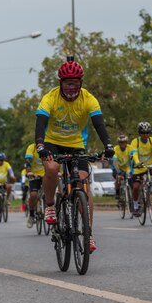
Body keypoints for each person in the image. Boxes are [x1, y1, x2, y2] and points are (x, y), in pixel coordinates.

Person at [34, 57, 114, 253]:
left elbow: (99, 125)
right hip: (52, 143)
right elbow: (41, 122)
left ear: (81, 83)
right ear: (60, 83)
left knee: (83, 184)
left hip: (76, 144)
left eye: (75, 83)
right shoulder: (50, 98)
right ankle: (51, 205)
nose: (71, 87)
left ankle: (88, 232)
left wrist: (109, 145)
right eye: (68, 83)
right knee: (52, 168)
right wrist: (40, 145)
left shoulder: (89, 99)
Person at [129, 122, 152, 217]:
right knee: (136, 187)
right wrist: (137, 163)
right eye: (143, 133)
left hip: (149, 165)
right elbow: (134, 153)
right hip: (138, 167)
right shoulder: (135, 142)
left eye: (147, 133)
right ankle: (135, 205)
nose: (145, 135)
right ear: (139, 133)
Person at [24, 143, 45, 228]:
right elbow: (28, 160)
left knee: (50, 193)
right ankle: (31, 215)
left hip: (46, 175)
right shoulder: (31, 147)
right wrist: (28, 171)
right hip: (34, 175)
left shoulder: (49, 145)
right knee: (33, 195)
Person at [111, 134, 131, 203]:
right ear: (118, 143)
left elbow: (133, 157)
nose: (123, 144)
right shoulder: (115, 149)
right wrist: (118, 171)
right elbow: (114, 161)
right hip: (117, 168)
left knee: (132, 179)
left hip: (127, 168)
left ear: (126, 142)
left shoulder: (130, 147)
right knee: (118, 177)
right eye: (121, 142)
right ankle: (117, 192)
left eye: (124, 142)